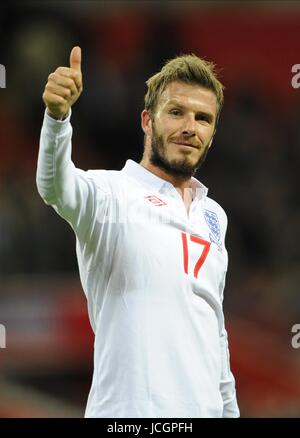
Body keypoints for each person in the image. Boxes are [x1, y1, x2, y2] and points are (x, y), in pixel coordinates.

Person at [37, 46, 239, 418]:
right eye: (176, 113)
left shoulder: (214, 216)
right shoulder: (110, 194)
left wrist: (229, 411)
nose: (189, 127)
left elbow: (214, 329)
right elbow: (54, 186)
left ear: (211, 133)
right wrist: (56, 118)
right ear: (147, 121)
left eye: (202, 118)